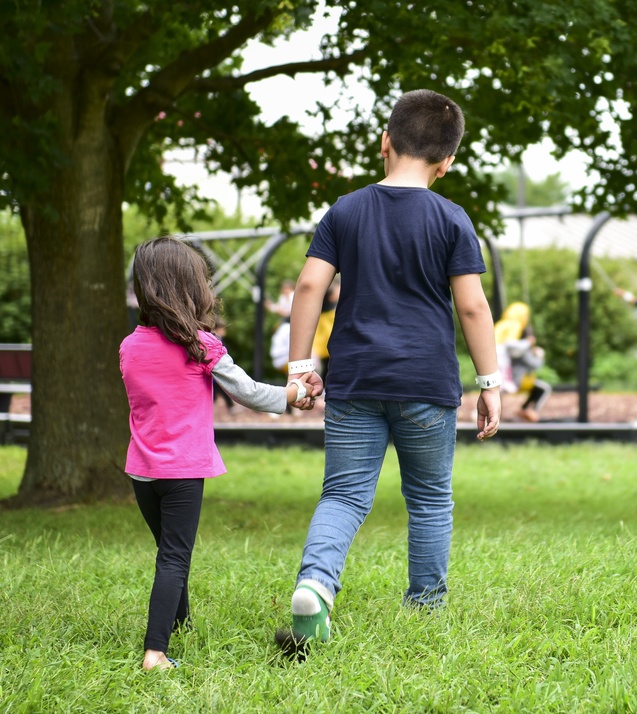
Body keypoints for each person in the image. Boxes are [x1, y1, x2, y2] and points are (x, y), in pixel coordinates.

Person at [278, 89, 501, 650]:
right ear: (446, 163)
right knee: (429, 497)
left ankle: (315, 584)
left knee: (344, 496)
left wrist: (301, 364)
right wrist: (490, 382)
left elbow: (310, 285)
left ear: (385, 141)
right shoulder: (452, 218)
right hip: (427, 384)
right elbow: (473, 306)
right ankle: (425, 609)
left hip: (355, 381)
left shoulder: (345, 210)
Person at [120, 236, 322, 671]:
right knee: (175, 556)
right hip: (182, 472)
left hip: (142, 471)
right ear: (186, 289)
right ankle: (155, 652)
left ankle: (181, 625)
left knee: (169, 551)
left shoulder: (130, 346)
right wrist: (293, 393)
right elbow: (247, 392)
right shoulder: (200, 345)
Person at [494, 302, 552, 422]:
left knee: (495, 388)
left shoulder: (500, 324)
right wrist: (529, 344)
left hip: (493, 359)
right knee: (500, 388)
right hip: (507, 369)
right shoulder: (515, 324)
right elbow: (511, 345)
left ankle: (490, 414)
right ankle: (529, 410)